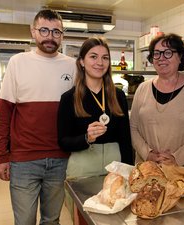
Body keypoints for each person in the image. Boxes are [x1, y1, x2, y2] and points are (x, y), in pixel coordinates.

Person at [0, 9, 76, 225]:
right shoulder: (18, 63)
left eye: (56, 32)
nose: (50, 36)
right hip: (24, 160)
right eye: (44, 30)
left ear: (62, 35)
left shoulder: (72, 65)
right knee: (25, 221)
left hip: (60, 159)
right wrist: (1, 155)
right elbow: (4, 113)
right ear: (33, 32)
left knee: (52, 220)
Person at [57, 36, 134, 225]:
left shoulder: (118, 95)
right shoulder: (69, 98)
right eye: (93, 57)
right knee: (85, 219)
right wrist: (86, 137)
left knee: (118, 217)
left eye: (105, 58)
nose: (100, 63)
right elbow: (63, 141)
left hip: (115, 166)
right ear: (82, 62)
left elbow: (125, 138)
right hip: (83, 165)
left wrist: (128, 171)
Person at [130, 33, 184, 166]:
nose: (161, 58)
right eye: (156, 53)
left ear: (180, 56)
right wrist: (147, 153)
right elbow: (133, 127)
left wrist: (177, 158)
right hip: (148, 170)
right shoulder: (142, 88)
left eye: (168, 53)